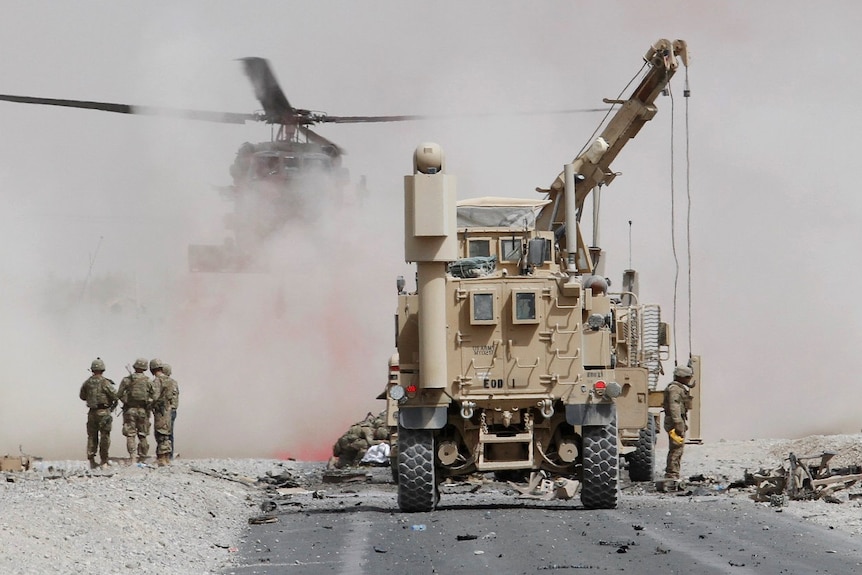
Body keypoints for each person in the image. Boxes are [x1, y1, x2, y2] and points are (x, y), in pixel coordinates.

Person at [78, 358, 118, 469]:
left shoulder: (87, 382)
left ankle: (91, 460)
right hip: (103, 412)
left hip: (91, 413)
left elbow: (82, 396)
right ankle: (104, 461)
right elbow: (115, 395)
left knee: (92, 436)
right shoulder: (105, 382)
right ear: (103, 369)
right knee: (105, 436)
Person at [116, 358, 156, 464]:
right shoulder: (148, 381)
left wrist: (127, 401)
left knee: (130, 435)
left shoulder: (127, 380)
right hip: (143, 411)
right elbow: (154, 396)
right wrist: (148, 403)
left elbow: (119, 394)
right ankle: (142, 457)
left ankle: (133, 457)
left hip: (129, 410)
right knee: (143, 435)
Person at [663, 365, 695, 481]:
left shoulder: (678, 387)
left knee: (677, 448)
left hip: (677, 420)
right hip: (674, 421)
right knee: (676, 448)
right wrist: (678, 423)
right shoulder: (675, 389)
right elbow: (674, 406)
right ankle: (672, 474)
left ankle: (673, 473)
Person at [150, 360, 178, 466]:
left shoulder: (157, 381)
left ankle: (161, 458)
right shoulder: (172, 381)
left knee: (160, 433)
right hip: (169, 409)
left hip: (161, 410)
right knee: (167, 433)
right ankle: (167, 457)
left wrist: (149, 403)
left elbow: (155, 396)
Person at [162, 363, 179, 459]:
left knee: (163, 433)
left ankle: (165, 454)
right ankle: (170, 455)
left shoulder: (162, 382)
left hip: (165, 410)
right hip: (173, 409)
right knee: (170, 433)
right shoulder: (174, 382)